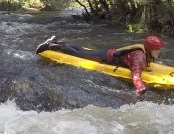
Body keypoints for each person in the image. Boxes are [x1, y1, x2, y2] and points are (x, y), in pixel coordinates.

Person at [36, 35, 164, 95]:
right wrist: (140, 87)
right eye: (156, 50)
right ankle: (51, 45)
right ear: (149, 49)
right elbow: (135, 73)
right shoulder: (139, 56)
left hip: (109, 53)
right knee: (80, 54)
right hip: (106, 57)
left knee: (83, 51)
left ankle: (58, 42)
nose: (159, 52)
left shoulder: (145, 53)